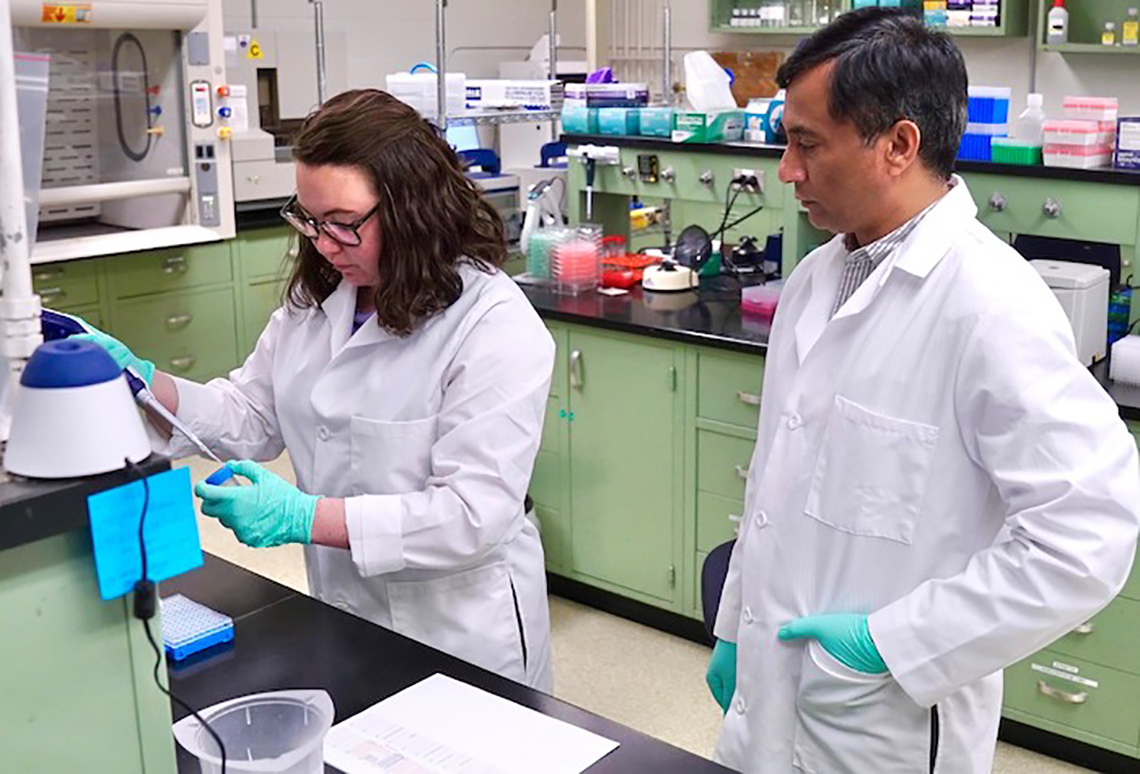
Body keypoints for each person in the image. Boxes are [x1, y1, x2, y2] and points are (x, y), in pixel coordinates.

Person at [704, 8, 1140, 773]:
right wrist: (737, 627)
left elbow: (1088, 535)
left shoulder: (991, 303)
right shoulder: (815, 279)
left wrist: (891, 645)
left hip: (886, 724)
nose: (786, 171)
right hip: (770, 696)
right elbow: (774, 487)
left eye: (807, 144)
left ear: (899, 144)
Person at [75, 89, 556, 691]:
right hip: (343, 606)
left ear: (415, 210)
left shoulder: (493, 325)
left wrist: (304, 517)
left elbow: (470, 516)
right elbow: (250, 412)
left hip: (458, 626)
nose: (324, 245)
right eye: (310, 219)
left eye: (344, 224)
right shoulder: (322, 301)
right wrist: (145, 383)